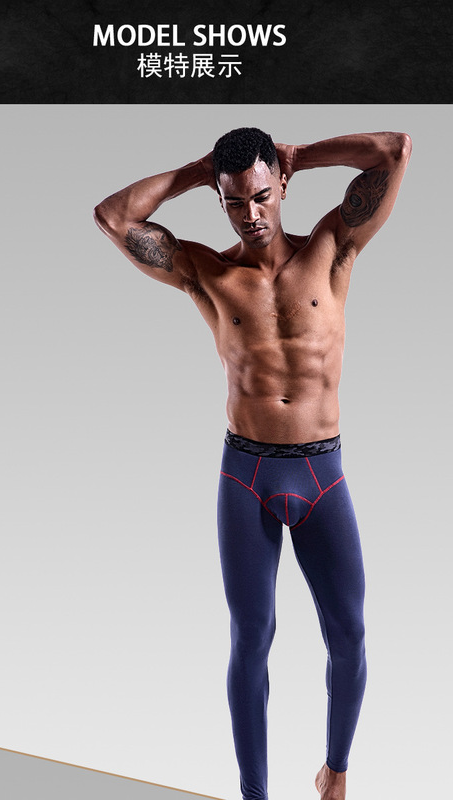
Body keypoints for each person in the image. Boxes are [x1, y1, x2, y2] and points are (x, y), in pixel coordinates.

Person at [93, 128, 412, 800]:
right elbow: (114, 217)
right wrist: (199, 168)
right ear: (220, 200)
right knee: (251, 638)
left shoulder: (331, 248)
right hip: (247, 476)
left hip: (322, 472)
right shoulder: (208, 272)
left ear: (282, 186)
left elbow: (394, 150)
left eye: (262, 196)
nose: (251, 213)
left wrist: (302, 155)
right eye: (235, 202)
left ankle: (335, 773)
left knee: (350, 633)